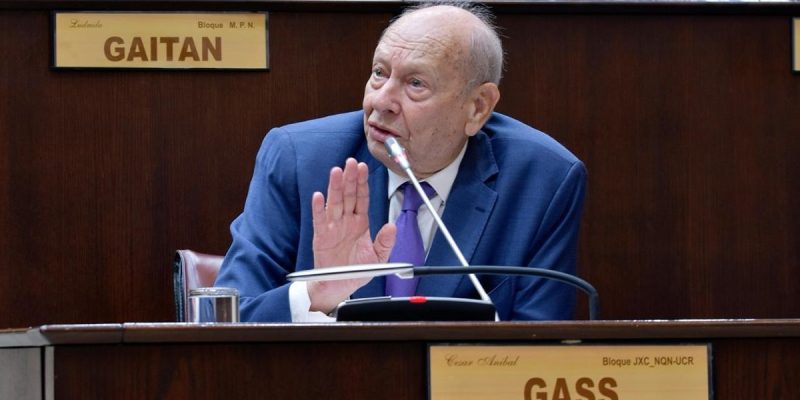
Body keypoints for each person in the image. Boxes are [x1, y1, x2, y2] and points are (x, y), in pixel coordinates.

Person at [214, 2, 587, 322]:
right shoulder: (298, 159)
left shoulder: (542, 179)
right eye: (379, 73)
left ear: (477, 107)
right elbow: (227, 319)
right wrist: (317, 293)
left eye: (415, 84)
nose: (380, 101)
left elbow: (539, 348)